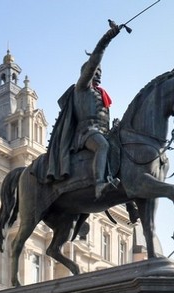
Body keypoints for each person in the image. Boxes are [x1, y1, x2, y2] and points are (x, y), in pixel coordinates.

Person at [44, 19, 126, 197]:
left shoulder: (102, 94)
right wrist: (107, 38)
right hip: (86, 133)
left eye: (100, 73)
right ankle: (99, 184)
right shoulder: (82, 88)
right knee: (102, 146)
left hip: (102, 131)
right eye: (95, 71)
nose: (98, 75)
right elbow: (95, 60)